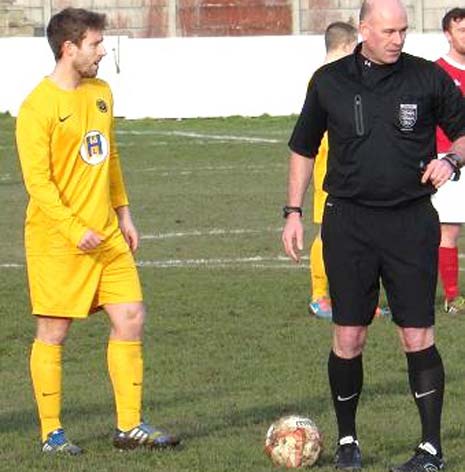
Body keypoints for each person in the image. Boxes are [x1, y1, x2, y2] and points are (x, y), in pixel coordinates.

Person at [282, 0, 465, 470]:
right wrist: (293, 211)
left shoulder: (427, 78)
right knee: (349, 336)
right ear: (364, 29)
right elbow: (303, 148)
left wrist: (451, 160)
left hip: (410, 221)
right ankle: (347, 443)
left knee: (417, 334)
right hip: (349, 223)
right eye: (387, 31)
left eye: (403, 31)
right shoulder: (330, 81)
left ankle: (430, 450)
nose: (397, 39)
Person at [16, 8, 180, 455]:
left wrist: (123, 213)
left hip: (106, 235)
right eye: (95, 44)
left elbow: (109, 158)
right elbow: (38, 183)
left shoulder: (102, 92)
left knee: (131, 317)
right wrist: (73, 228)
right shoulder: (36, 108)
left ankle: (129, 426)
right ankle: (52, 432)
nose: (103, 51)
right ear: (69, 49)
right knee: (54, 332)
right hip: (57, 241)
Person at [308, 22, 358, 320]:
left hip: (349, 164)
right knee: (328, 232)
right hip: (331, 166)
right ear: (346, 46)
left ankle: (355, 298)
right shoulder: (322, 80)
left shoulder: (338, 78)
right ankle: (318, 297)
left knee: (355, 233)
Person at [432, 8, 465, 315]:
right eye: (461, 30)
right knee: (449, 230)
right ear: (448, 34)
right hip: (450, 160)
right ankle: (452, 297)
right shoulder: (436, 72)